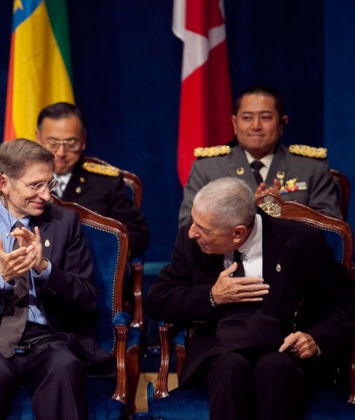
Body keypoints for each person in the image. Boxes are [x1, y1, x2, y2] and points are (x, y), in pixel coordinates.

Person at [145, 177, 355, 419]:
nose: (193, 232)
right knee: (229, 367)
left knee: (274, 368)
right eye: (193, 221)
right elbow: (157, 300)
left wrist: (315, 338)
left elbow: (347, 305)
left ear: (237, 234)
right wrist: (212, 296)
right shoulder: (190, 242)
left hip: (284, 349)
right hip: (218, 350)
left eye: (202, 228)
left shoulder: (302, 241)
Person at [0, 139, 112, 420]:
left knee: (64, 367)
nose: (46, 195)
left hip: (47, 335)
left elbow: (87, 299)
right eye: (35, 186)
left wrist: (45, 268)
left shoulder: (64, 224)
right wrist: (1, 278)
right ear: (4, 183)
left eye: (50, 184)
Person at [179, 85, 341, 227]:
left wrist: (283, 212)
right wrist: (245, 212)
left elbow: (332, 229)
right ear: (235, 124)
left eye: (265, 118)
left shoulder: (311, 167)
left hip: (294, 259)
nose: (256, 126)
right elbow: (188, 225)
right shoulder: (208, 168)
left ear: (282, 123)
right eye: (247, 118)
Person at [35, 102, 150, 257]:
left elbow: (137, 233)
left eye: (71, 143)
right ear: (38, 138)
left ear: (83, 140)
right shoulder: (21, 181)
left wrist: (105, 256)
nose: (61, 153)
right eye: (53, 143)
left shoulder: (105, 183)